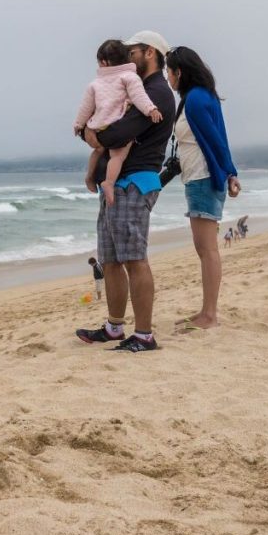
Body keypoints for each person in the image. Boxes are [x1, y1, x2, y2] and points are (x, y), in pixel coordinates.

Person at [75, 31, 176, 353]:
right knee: (111, 259)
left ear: (149, 52)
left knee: (133, 258)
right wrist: (92, 133)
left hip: (135, 181)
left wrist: (91, 133)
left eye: (131, 51)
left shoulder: (155, 91)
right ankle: (114, 326)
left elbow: (118, 132)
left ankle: (144, 334)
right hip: (117, 183)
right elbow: (106, 131)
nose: (125, 57)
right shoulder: (134, 86)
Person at [153, 46, 241, 331]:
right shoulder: (199, 97)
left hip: (203, 178)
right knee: (204, 249)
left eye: (169, 71)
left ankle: (210, 315)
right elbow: (220, 136)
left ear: (180, 72)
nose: (167, 77)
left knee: (207, 249)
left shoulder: (195, 100)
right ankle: (206, 310)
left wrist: (229, 172)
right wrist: (231, 172)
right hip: (198, 178)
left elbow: (217, 139)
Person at [73, 39, 164, 204]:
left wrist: (79, 125)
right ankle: (109, 182)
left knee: (98, 150)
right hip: (116, 122)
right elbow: (139, 97)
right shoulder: (129, 77)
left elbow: (85, 108)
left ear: (103, 62)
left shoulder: (95, 83)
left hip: (98, 125)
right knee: (117, 157)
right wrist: (151, 109)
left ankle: (89, 177)